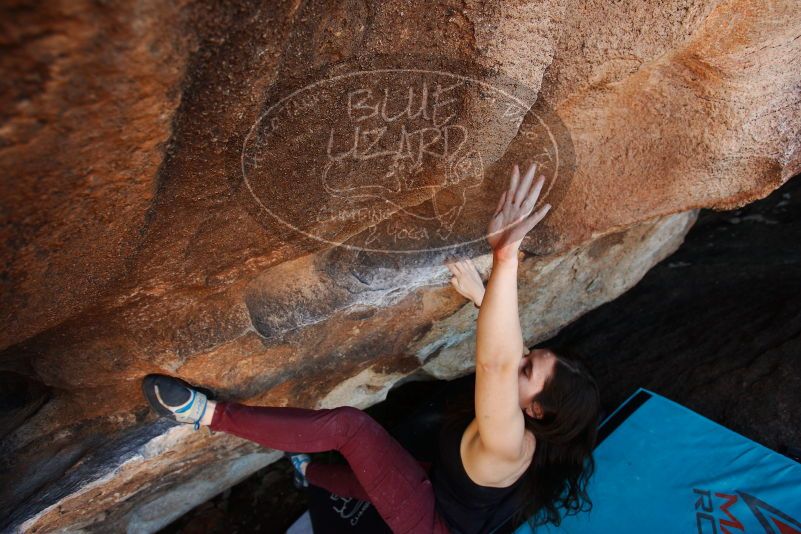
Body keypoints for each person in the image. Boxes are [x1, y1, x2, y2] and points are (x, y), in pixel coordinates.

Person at [142, 162, 601, 533]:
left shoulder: (508, 444)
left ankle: (204, 416)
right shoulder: (532, 420)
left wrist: (505, 258)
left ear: (537, 412)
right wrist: (483, 297)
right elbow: (510, 355)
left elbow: (499, 363)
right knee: (374, 478)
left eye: (529, 372)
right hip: (446, 487)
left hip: (434, 527)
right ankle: (309, 475)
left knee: (352, 430)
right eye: (530, 354)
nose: (521, 355)